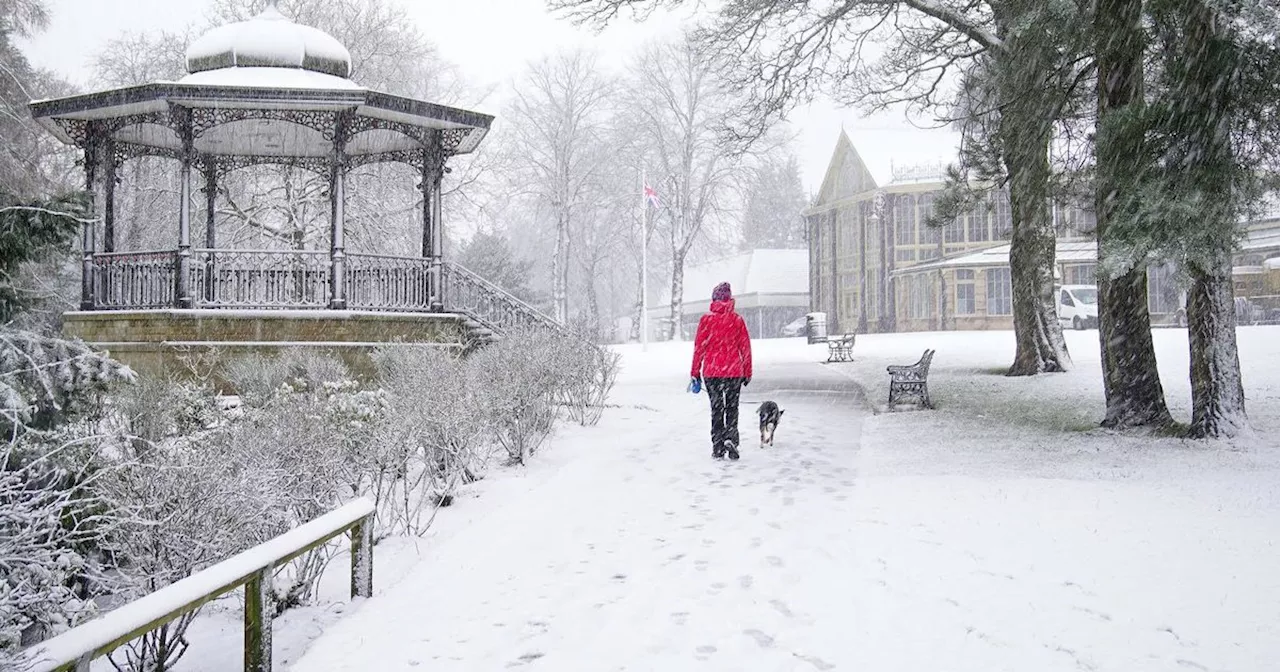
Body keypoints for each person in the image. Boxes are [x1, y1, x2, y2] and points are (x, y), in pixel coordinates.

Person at [690, 281, 753, 460]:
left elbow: (699, 348)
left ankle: (718, 445)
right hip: (733, 371)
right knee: (732, 408)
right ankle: (731, 438)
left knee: (716, 409)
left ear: (714, 298)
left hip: (712, 372)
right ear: (729, 299)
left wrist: (695, 372)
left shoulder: (706, 320)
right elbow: (745, 347)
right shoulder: (737, 320)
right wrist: (747, 371)